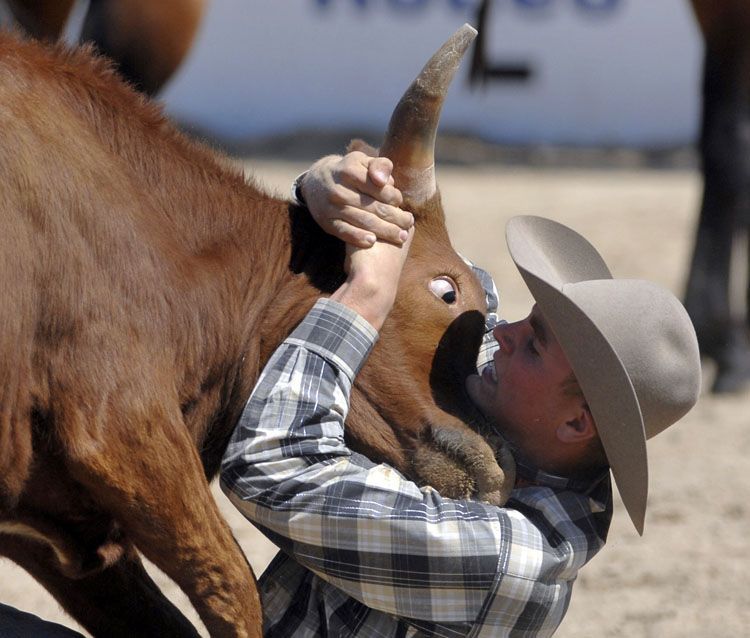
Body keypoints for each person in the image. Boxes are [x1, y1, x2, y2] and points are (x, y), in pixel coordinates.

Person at [220, 151, 701, 637]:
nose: (504, 334)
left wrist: (361, 303)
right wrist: (336, 194)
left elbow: (270, 468)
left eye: (534, 345)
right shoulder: (524, 410)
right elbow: (462, 289)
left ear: (576, 423)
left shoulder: (509, 565)